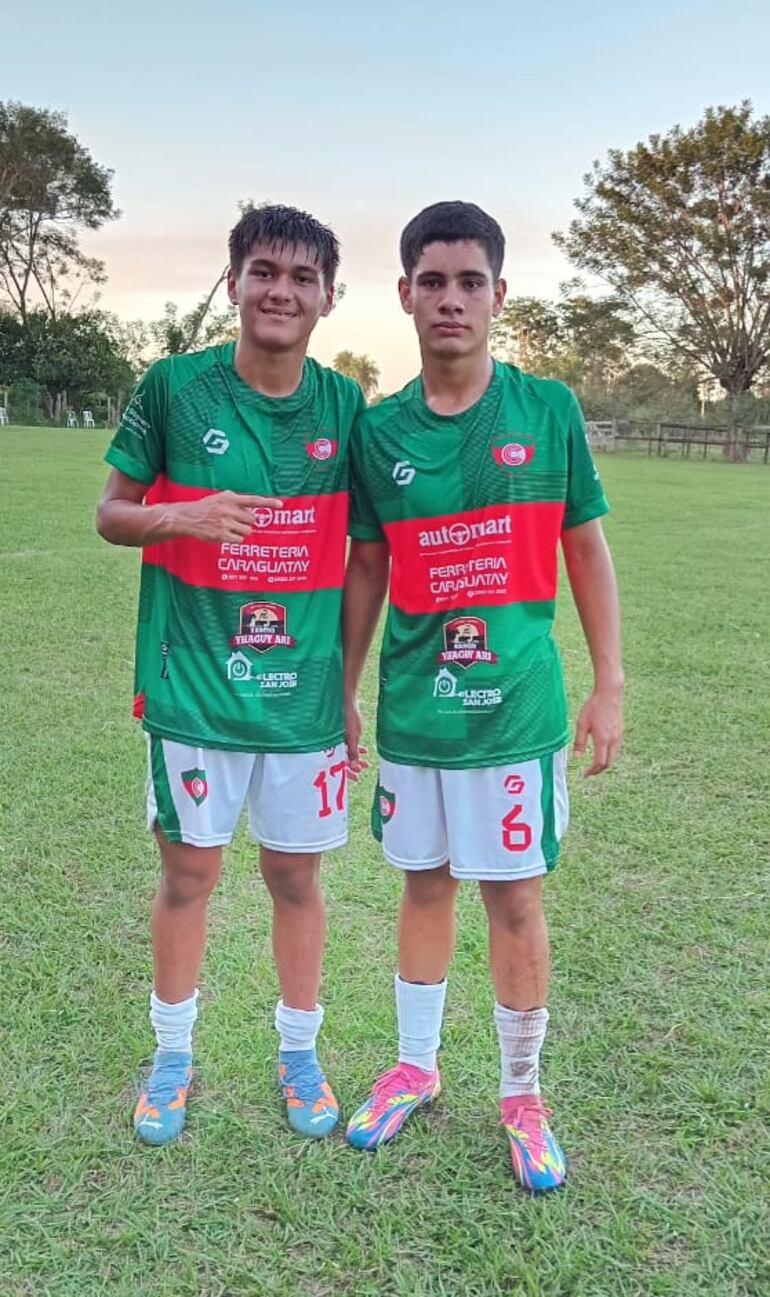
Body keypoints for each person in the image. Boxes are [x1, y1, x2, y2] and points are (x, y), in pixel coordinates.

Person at [342, 201, 624, 1192]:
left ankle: (520, 1092)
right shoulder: (378, 431)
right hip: (418, 712)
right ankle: (415, 1068)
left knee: (512, 897)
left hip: (516, 713)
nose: (450, 299)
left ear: (498, 295)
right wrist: (341, 690)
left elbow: (583, 547)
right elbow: (366, 570)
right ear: (405, 296)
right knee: (422, 886)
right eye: (433, 281)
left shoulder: (545, 410)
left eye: (469, 282)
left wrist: (608, 684)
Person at [96, 204, 364, 1145]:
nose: (279, 290)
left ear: (328, 297)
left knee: (297, 878)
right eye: (263, 271)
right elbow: (110, 512)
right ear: (236, 280)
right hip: (194, 688)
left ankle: (299, 1054)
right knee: (189, 875)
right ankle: (172, 1056)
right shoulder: (174, 387)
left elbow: (368, 554)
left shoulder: (346, 408)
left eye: (300, 277)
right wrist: (184, 515)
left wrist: (350, 689)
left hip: (301, 702)